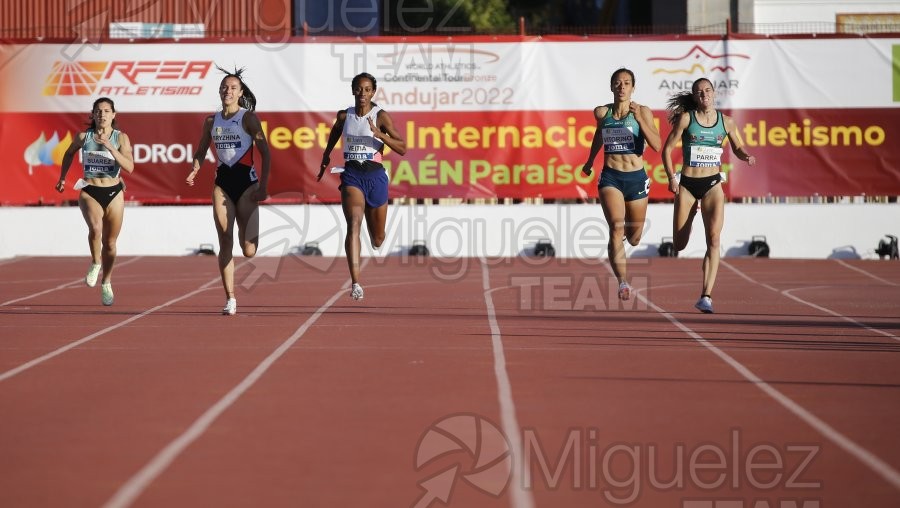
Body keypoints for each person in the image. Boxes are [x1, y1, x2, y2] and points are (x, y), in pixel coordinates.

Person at [662, 77, 756, 314]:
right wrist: (672, 178)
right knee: (679, 244)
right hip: (688, 184)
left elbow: (737, 146)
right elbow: (667, 149)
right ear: (695, 97)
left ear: (714, 94)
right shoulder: (687, 119)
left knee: (714, 239)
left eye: (707, 90)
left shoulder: (727, 123)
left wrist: (746, 156)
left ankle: (706, 295)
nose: (703, 94)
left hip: (713, 184)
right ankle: (692, 213)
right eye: (698, 92)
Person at [186, 67, 270, 315]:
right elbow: (202, 149)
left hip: (247, 183)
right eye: (224, 87)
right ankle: (230, 298)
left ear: (240, 92)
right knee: (225, 240)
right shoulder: (211, 121)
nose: (228, 91)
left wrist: (263, 186)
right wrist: (195, 169)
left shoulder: (248, 118)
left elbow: (265, 152)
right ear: (219, 91)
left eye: (233, 87)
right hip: (222, 183)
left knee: (249, 250)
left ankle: (248, 227)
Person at [318, 72, 407, 301]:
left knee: (377, 240)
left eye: (367, 90)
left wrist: (379, 135)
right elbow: (335, 134)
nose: (362, 94)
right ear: (353, 91)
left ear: (373, 92)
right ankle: (355, 282)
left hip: (375, 177)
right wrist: (326, 156)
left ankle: (373, 220)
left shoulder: (381, 116)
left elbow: (402, 148)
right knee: (353, 224)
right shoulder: (344, 116)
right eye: (358, 89)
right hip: (353, 176)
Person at [582, 68, 662, 301]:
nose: (622, 87)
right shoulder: (602, 113)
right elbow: (599, 135)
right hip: (611, 177)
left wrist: (639, 120)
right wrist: (589, 162)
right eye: (617, 83)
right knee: (616, 227)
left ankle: (629, 236)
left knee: (634, 238)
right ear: (611, 87)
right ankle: (623, 282)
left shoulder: (643, 111)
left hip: (636, 178)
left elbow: (656, 144)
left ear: (633, 88)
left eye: (626, 83)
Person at [55, 97, 135, 306]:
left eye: (107, 111)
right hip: (90, 190)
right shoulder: (84, 136)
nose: (102, 115)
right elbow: (68, 153)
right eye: (98, 111)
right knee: (96, 228)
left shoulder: (121, 138)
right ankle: (95, 262)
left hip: (114, 191)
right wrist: (63, 177)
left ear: (113, 115)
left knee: (110, 243)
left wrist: (111, 147)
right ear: (93, 115)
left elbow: (130, 167)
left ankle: (106, 281)